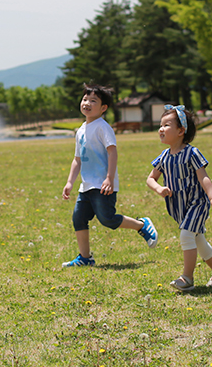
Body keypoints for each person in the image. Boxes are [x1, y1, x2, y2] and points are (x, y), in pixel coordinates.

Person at [61, 84, 157, 267]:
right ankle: (85, 258)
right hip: (87, 185)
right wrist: (69, 182)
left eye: (93, 101)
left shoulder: (103, 128)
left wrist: (109, 178)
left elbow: (112, 153)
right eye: (85, 99)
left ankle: (141, 225)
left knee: (107, 219)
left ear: (103, 108)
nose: (87, 103)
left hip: (103, 184)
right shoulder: (80, 130)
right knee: (78, 218)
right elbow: (77, 159)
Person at [146, 104, 212, 292]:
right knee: (198, 238)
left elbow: (203, 177)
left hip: (197, 203)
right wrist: (159, 189)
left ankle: (187, 278)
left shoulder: (192, 153)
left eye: (167, 125)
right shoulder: (164, 157)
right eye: (161, 125)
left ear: (181, 131)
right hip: (179, 207)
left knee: (186, 235)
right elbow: (150, 179)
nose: (161, 129)